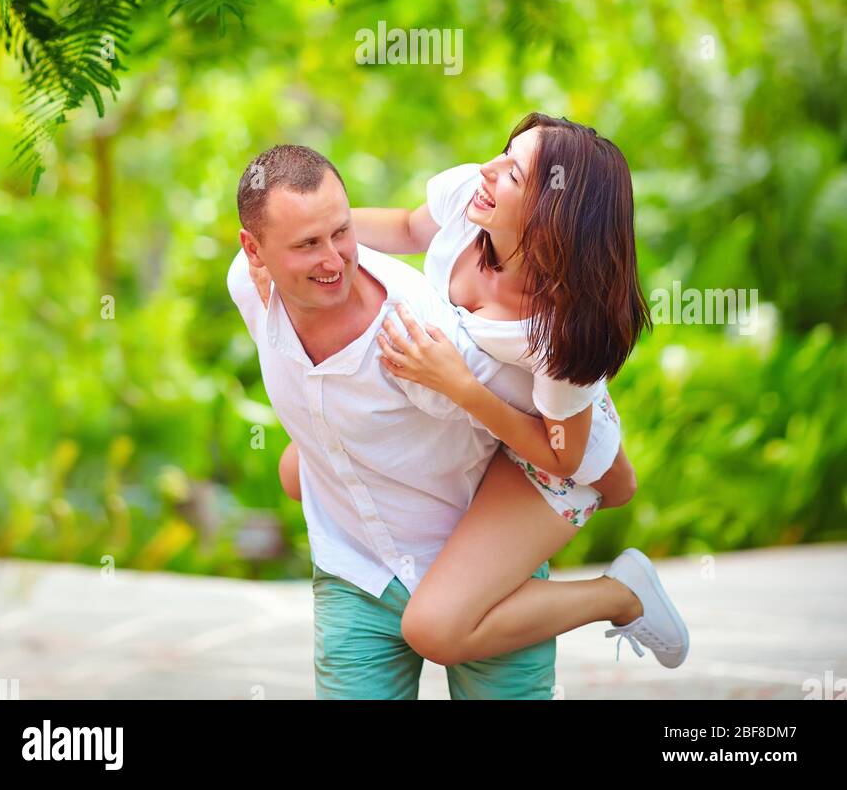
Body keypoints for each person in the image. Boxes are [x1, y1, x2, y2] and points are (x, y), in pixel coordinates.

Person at [228, 139, 687, 700]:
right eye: (504, 154)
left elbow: (564, 455)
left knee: (604, 486)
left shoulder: (555, 330)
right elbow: (402, 226)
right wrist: (302, 253)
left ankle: (619, 594)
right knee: (296, 470)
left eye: (514, 173)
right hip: (492, 410)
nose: (488, 171)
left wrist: (461, 388)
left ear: (551, 217)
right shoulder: (473, 200)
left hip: (553, 448)